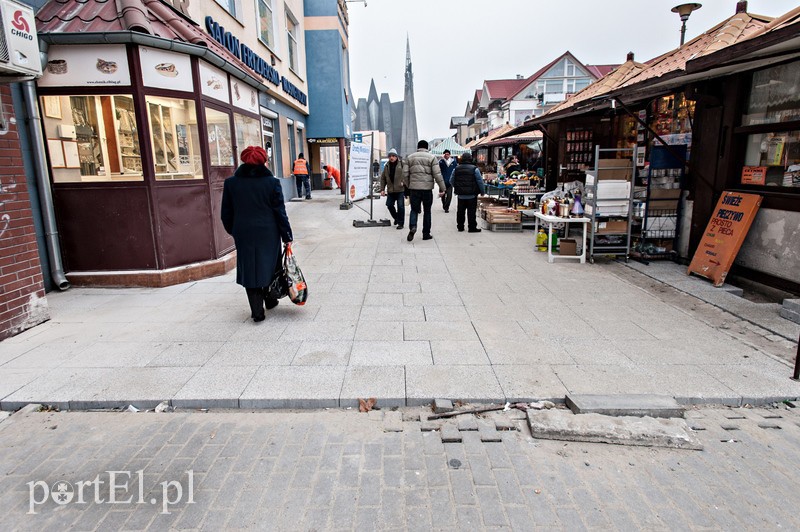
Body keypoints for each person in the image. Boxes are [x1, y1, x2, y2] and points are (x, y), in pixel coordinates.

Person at [221, 146, 293, 322]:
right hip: (269, 232)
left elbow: (226, 213)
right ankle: (270, 300)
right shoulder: (272, 183)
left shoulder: (231, 183)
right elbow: (280, 212)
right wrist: (287, 236)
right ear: (264, 161)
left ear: (244, 160)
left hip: (243, 232)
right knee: (270, 264)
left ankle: (257, 311)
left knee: (250, 268)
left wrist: (234, 230)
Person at [403, 140, 445, 241]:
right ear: (427, 148)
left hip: (414, 189)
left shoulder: (410, 158)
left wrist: (409, 185)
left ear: (418, 147)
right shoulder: (432, 158)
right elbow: (437, 174)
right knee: (427, 211)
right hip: (427, 189)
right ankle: (426, 234)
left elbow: (405, 174)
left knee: (414, 210)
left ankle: (413, 227)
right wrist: (443, 188)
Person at [452, 152, 486, 233]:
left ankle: (460, 227)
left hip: (461, 195)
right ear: (470, 159)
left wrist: (457, 187)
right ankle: (472, 227)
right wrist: (482, 191)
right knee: (471, 212)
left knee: (460, 211)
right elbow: (480, 181)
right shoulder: (475, 169)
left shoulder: (456, 169)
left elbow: (451, 180)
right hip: (472, 195)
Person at [379, 148, 406, 229]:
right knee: (389, 205)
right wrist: (382, 189)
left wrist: (404, 182)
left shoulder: (402, 164)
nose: (391, 157)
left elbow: (407, 174)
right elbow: (383, 178)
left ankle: (401, 223)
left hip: (400, 190)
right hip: (391, 190)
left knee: (400, 206)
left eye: (393, 156)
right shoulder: (387, 166)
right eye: (390, 156)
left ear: (396, 157)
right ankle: (396, 218)